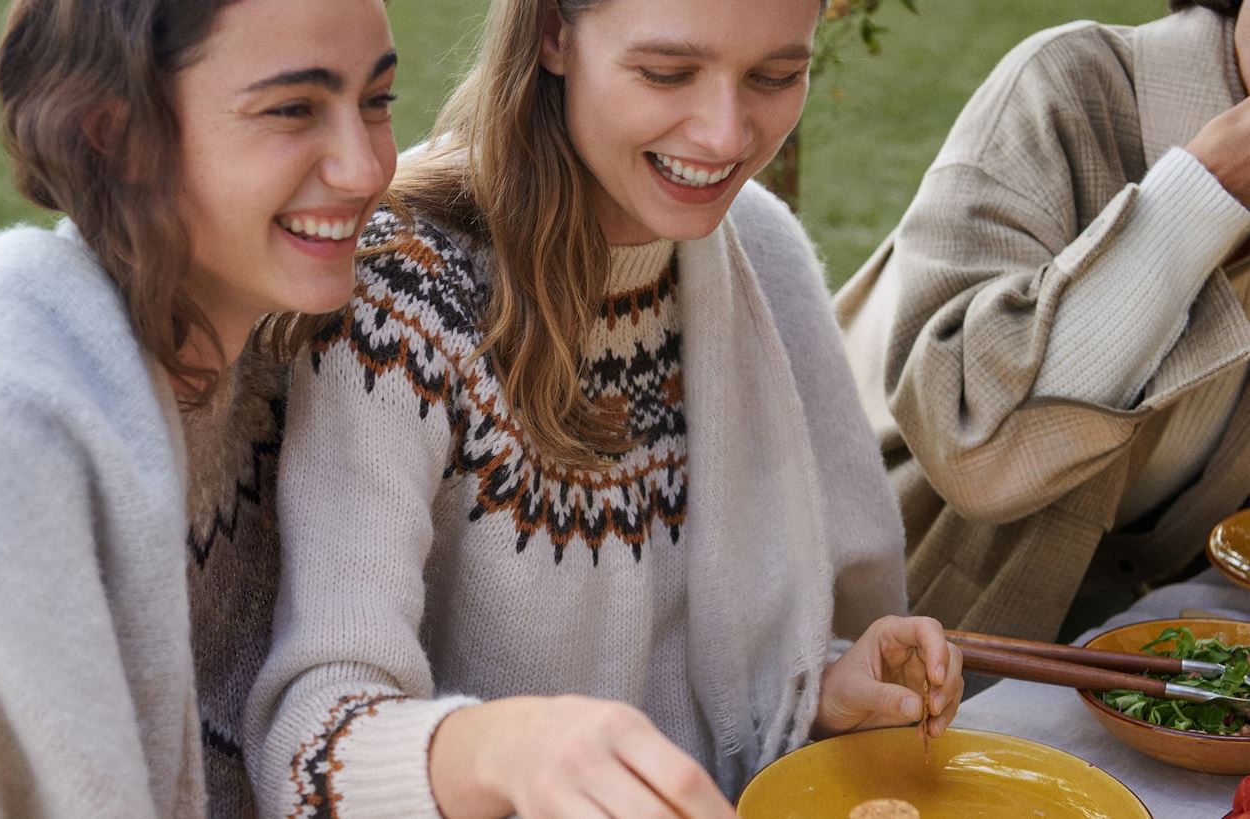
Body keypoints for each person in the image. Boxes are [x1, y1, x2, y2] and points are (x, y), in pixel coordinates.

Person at [243, 0, 965, 816]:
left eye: (775, 76)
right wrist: (505, 750)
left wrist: (822, 694)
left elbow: (730, 681)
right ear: (553, 33)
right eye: (666, 72)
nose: (724, 135)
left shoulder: (762, 249)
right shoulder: (400, 293)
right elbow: (311, 755)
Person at [0, 0, 398, 814]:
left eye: (377, 100)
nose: (365, 169)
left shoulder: (302, 357)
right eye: (292, 109)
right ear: (113, 135)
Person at [835, 0, 1250, 642]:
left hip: (1135, 629)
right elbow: (975, 451)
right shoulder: (1064, 86)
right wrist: (1201, 193)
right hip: (895, 628)